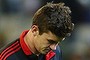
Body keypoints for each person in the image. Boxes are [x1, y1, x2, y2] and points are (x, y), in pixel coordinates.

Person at [0, 2, 74, 60]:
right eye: (50, 41)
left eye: (57, 42)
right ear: (35, 30)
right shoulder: (7, 57)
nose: (54, 48)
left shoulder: (56, 52)